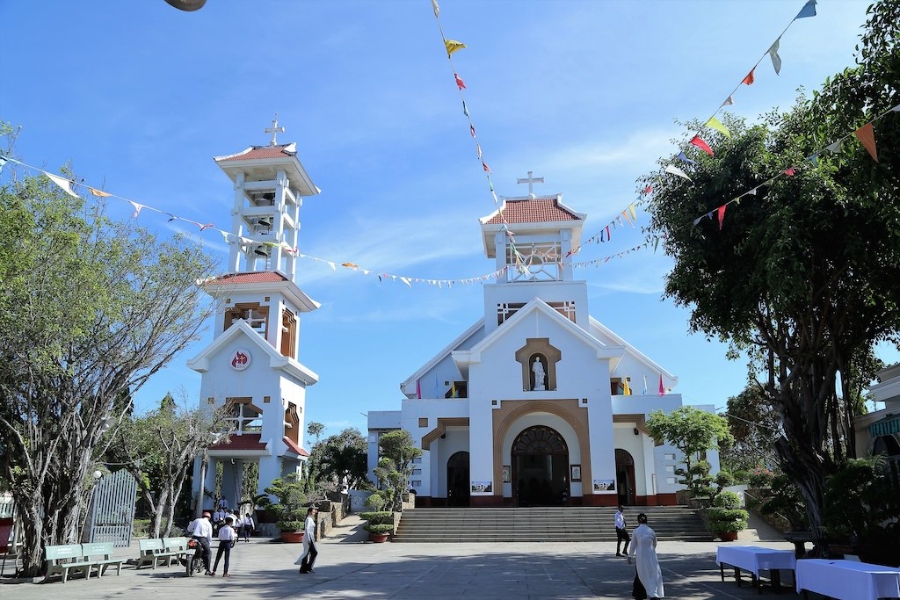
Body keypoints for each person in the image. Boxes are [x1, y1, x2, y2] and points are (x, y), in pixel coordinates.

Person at [628, 513, 664, 600]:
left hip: (640, 556)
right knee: (653, 573)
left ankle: (639, 594)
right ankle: (654, 593)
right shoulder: (651, 531)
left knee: (640, 573)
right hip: (651, 555)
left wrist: (630, 556)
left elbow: (633, 545)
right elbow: (655, 544)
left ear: (638, 521)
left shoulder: (636, 531)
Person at [186, 511, 214, 576]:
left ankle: (189, 562)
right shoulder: (208, 524)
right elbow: (209, 536)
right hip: (202, 539)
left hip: (194, 538)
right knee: (208, 552)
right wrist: (209, 543)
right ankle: (208, 570)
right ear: (209, 518)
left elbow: (189, 529)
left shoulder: (196, 520)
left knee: (189, 549)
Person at [294, 506, 319, 574]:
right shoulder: (308, 519)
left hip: (310, 537)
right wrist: (308, 539)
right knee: (312, 552)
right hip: (308, 538)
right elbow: (307, 529)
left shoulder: (310, 519)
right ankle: (306, 567)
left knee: (308, 552)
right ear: (310, 512)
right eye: (313, 512)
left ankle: (305, 568)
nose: (314, 513)